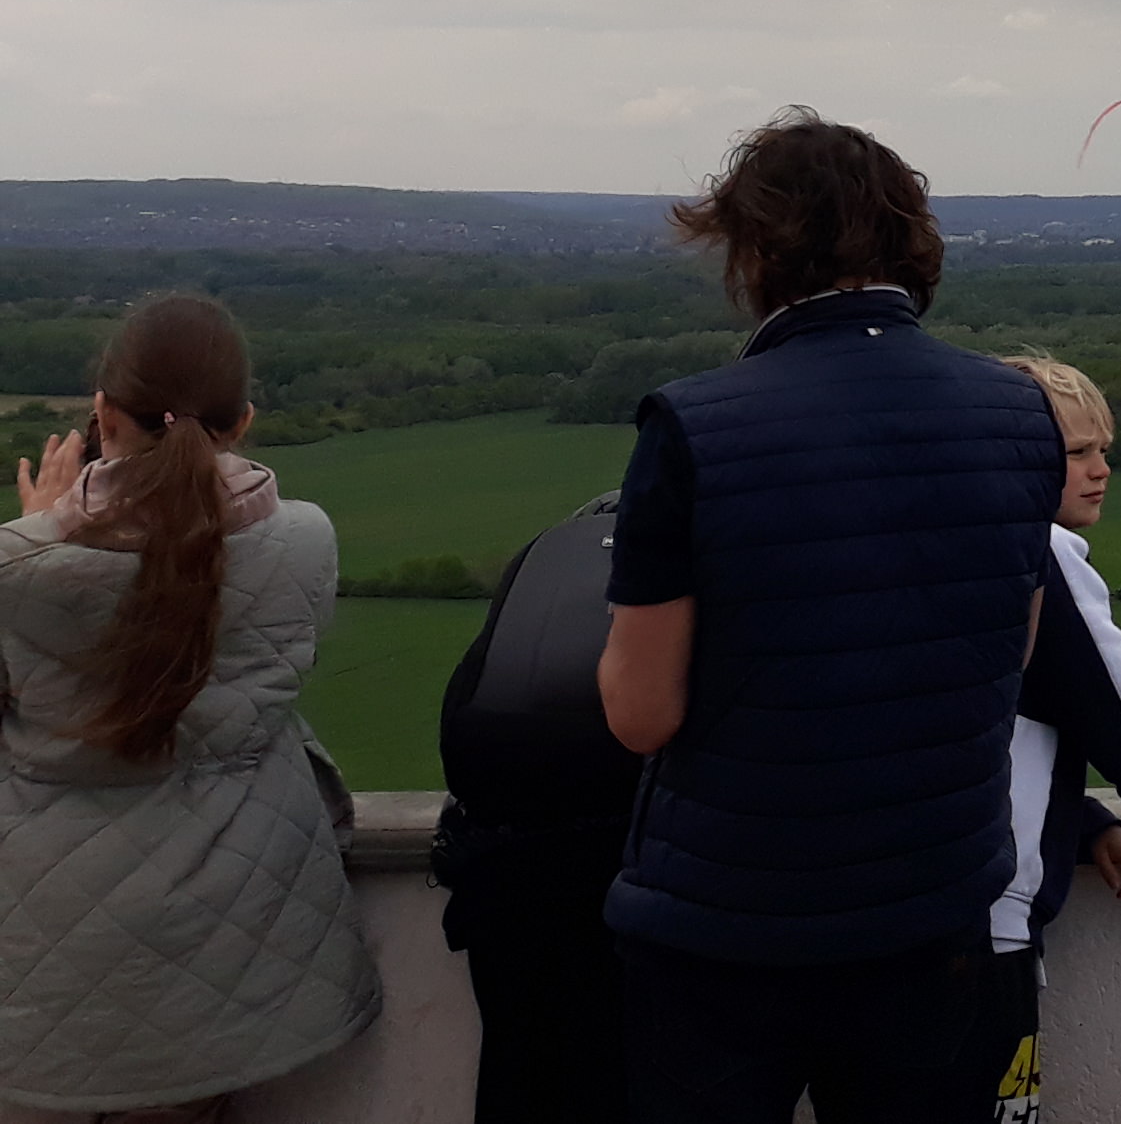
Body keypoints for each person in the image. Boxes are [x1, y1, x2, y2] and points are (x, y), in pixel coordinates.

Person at [595, 110, 1068, 1124]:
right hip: (937, 908)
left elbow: (640, 713)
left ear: (759, 247)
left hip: (727, 923)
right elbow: (1011, 653)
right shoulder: (1020, 414)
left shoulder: (691, 425)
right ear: (910, 239)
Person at [0, 292, 382, 1120]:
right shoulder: (306, 540)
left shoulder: (17, 569)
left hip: (56, 923)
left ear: (101, 412)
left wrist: (37, 531)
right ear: (242, 422)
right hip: (242, 913)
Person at [966, 358, 1121, 1123]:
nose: (1102, 471)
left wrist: (1084, 821)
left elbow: (989, 724)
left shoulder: (935, 543)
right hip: (984, 922)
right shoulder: (1041, 550)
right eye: (1078, 453)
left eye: (1103, 449)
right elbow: (1117, 710)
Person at [437, 487, 645, 1124]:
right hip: (641, 886)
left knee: (521, 1070)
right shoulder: (684, 570)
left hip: (505, 880)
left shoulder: (544, 560)